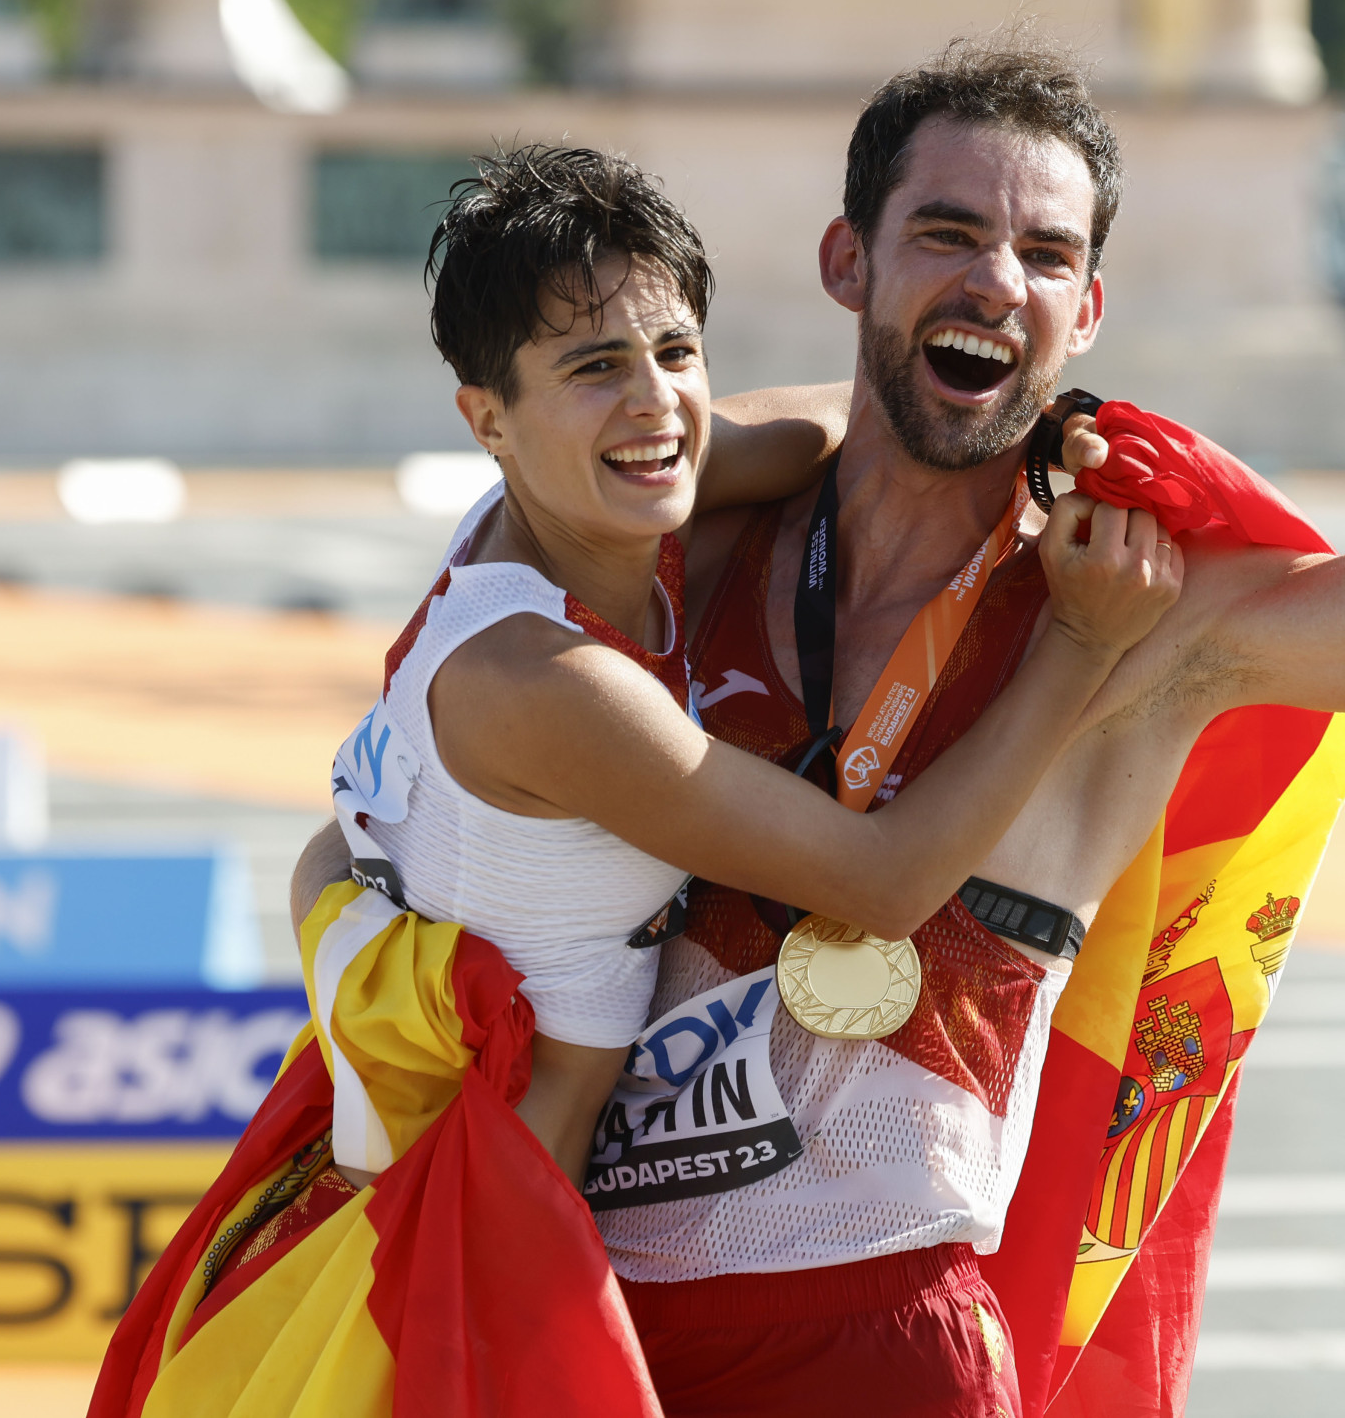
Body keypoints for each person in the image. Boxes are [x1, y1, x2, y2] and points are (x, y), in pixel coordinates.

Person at [294, 12, 1345, 1415]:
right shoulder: (681, 534)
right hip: (574, 1319)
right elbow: (396, 780)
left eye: (1047, 255)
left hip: (878, 1350)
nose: (997, 280)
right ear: (848, 262)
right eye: (945, 233)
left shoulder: (1148, 608)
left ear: (1089, 310)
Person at [91, 145, 1182, 1418]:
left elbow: (831, 430)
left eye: (675, 352)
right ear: (485, 419)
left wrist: (1001, 381)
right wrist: (1078, 647)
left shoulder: (585, 507)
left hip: (464, 1198)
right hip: (458, 1291)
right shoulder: (552, 685)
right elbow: (883, 881)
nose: (653, 405)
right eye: (593, 368)